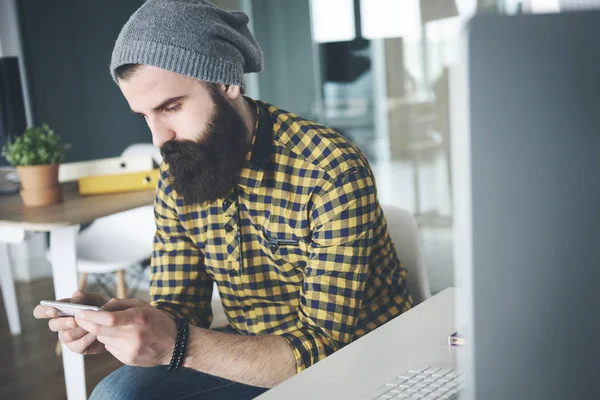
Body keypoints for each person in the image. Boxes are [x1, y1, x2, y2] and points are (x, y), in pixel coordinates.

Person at [33, 0, 412, 398]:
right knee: (116, 395)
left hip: (360, 357)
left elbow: (325, 349)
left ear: (227, 82)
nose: (159, 139)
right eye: (144, 116)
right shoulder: (179, 173)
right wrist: (122, 322)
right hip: (249, 349)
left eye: (171, 107)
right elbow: (181, 309)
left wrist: (174, 343)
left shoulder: (329, 169)